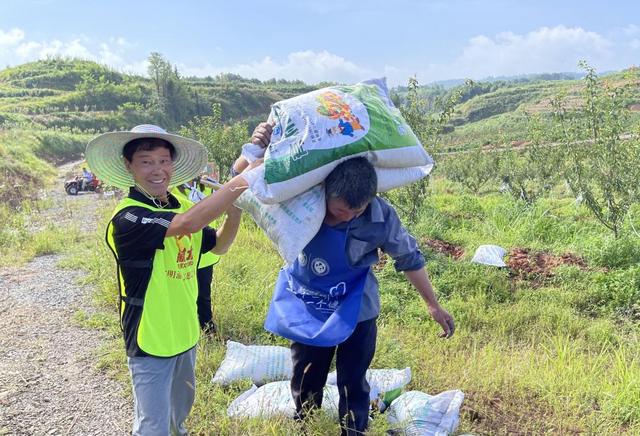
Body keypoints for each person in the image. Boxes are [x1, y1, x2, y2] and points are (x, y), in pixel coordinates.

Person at [254, 125, 454, 436]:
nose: (345, 217)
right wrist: (258, 147)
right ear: (326, 193)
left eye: (355, 211)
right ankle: (305, 425)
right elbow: (250, 183)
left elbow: (409, 259)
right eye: (338, 210)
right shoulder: (303, 202)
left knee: (353, 378)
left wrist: (433, 305)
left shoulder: (381, 217)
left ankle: (354, 430)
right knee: (307, 374)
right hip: (309, 303)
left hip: (356, 308)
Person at [85, 124, 259, 436]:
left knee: (178, 421)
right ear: (129, 166)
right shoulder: (129, 217)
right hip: (150, 339)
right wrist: (243, 179)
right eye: (146, 161)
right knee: (153, 427)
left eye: (164, 161)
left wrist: (234, 213)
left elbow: (218, 244)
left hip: (185, 335)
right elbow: (189, 224)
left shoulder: (180, 206)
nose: (157, 170)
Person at [171, 175, 232, 333]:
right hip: (184, 249)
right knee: (183, 291)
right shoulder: (172, 188)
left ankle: (207, 327)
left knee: (204, 293)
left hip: (206, 249)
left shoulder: (207, 185)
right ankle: (184, 325)